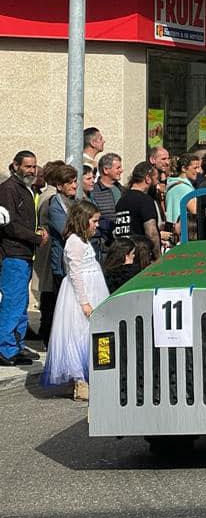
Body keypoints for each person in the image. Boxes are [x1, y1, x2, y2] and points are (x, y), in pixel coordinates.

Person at [40, 200, 109, 400]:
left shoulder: (84, 241)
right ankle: (80, 380)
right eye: (94, 221)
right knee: (78, 334)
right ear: (83, 220)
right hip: (82, 292)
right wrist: (84, 302)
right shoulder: (74, 242)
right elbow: (75, 273)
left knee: (90, 333)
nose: (97, 225)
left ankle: (92, 375)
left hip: (94, 288)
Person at [0, 151, 47, 365]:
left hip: (25, 253)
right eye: (28, 166)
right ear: (16, 166)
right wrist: (35, 237)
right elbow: (8, 224)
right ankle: (5, 349)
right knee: (13, 302)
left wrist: (39, 231)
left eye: (34, 166)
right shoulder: (8, 189)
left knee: (21, 304)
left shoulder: (26, 189)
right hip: (13, 254)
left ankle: (16, 346)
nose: (32, 170)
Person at [40, 164, 79, 346]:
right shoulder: (55, 204)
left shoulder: (73, 201)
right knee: (60, 304)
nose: (74, 186)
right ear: (59, 185)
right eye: (69, 183)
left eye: (75, 181)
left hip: (74, 261)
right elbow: (66, 231)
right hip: (62, 264)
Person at [112, 162, 162, 261]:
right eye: (156, 179)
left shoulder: (121, 201)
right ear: (148, 179)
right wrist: (158, 258)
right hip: (140, 256)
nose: (157, 184)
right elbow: (151, 233)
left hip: (122, 255)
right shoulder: (145, 200)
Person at [165, 153, 201, 240]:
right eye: (195, 168)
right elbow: (195, 211)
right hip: (184, 231)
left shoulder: (172, 184)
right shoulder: (184, 188)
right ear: (184, 168)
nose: (198, 171)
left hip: (173, 228)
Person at [91, 152, 123, 244]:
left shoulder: (123, 190)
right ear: (106, 170)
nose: (121, 170)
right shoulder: (94, 192)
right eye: (118, 168)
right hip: (104, 244)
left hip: (123, 243)